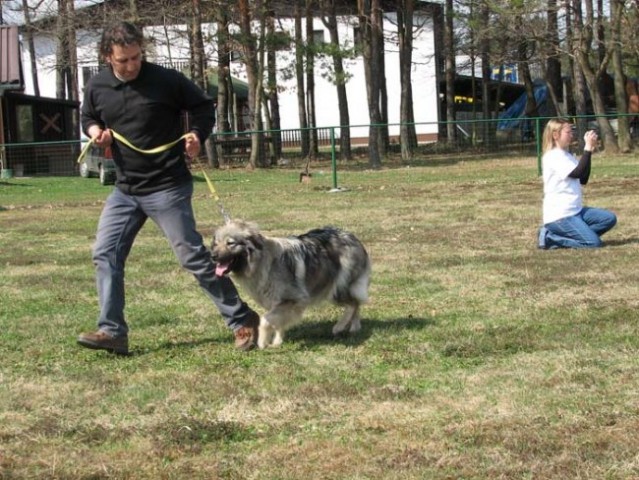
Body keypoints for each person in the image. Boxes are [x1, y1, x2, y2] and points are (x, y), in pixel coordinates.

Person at [77, 21, 259, 355]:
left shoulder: (166, 80)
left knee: (193, 257)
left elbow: (204, 107)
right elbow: (89, 115)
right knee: (105, 254)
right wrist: (94, 132)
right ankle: (112, 331)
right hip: (126, 189)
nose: (132, 66)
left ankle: (243, 319)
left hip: (167, 186)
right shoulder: (97, 86)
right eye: (123, 60)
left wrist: (196, 135)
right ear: (107, 56)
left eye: (136, 58)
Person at [538, 118, 617, 249]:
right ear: (555, 135)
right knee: (593, 243)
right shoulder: (553, 156)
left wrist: (589, 150)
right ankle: (550, 238)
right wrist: (587, 149)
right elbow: (577, 173)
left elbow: (583, 178)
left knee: (609, 219)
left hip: (576, 211)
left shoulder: (567, 155)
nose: (571, 135)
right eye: (568, 132)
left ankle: (579, 234)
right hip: (560, 216)